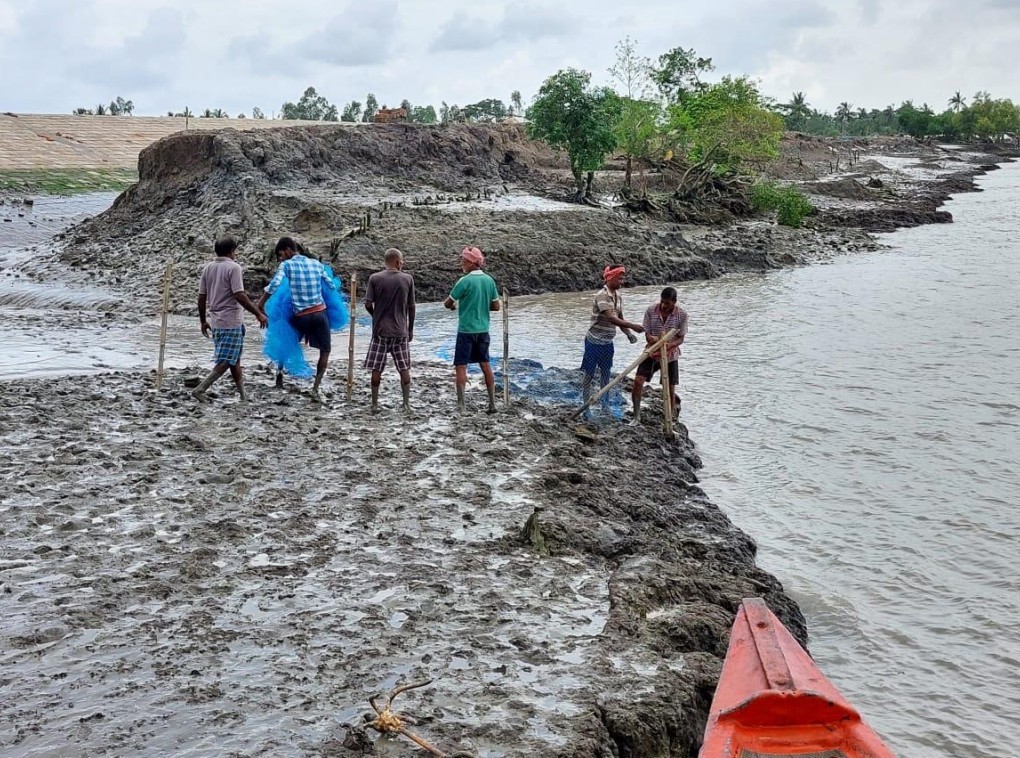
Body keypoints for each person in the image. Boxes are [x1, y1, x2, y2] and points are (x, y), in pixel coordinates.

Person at [258, 236, 337, 400]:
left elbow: (275, 284)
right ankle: (315, 389)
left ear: (288, 250)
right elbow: (330, 285)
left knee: (285, 339)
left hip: (301, 316)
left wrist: (261, 304)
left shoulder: (287, 265)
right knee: (325, 351)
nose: (281, 259)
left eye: (281, 255)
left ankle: (279, 375)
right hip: (320, 314)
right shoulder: (317, 264)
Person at [192, 237, 267, 402]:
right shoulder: (234, 267)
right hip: (231, 321)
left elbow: (201, 297)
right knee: (226, 360)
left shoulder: (208, 268)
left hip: (217, 321)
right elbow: (239, 294)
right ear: (231, 251)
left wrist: (203, 321)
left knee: (235, 360)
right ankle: (200, 389)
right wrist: (258, 313)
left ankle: (243, 396)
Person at [444, 245, 501, 413]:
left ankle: (461, 406)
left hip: (466, 331)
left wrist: (456, 306)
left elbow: (448, 303)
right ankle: (492, 404)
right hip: (483, 330)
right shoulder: (489, 280)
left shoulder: (464, 281)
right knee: (485, 364)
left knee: (461, 366)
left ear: (470, 262)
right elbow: (496, 306)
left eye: (463, 260)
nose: (461, 263)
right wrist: (482, 305)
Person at [581, 265, 644, 412]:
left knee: (606, 374)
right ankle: (586, 407)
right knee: (589, 375)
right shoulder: (601, 296)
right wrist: (633, 326)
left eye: (623, 278)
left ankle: (605, 405)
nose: (622, 282)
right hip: (594, 342)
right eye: (619, 279)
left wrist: (629, 334)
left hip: (607, 343)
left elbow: (620, 319)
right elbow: (611, 318)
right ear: (610, 278)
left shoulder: (618, 297)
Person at [364, 247, 416, 413]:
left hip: (380, 331)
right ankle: (406, 404)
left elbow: (367, 304)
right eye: (402, 261)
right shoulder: (407, 279)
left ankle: (374, 404)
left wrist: (375, 316)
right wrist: (410, 329)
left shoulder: (374, 278)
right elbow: (411, 307)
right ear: (398, 262)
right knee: (404, 368)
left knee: (376, 368)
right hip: (400, 332)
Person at [631, 286, 688, 424]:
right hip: (651, 352)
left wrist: (669, 345)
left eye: (667, 303)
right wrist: (651, 339)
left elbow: (680, 338)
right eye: (662, 302)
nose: (664, 305)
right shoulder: (651, 310)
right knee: (638, 381)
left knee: (670, 388)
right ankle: (636, 416)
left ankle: (671, 419)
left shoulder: (682, 315)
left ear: (674, 302)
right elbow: (647, 334)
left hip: (670, 355)